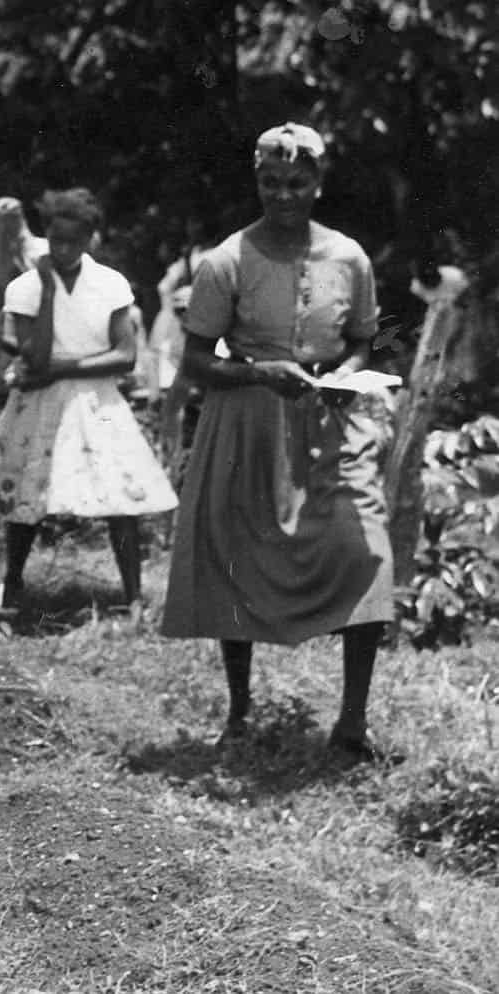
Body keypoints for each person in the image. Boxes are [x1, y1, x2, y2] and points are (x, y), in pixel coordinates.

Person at [161, 123, 394, 761]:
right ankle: (239, 711)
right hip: (250, 423)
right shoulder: (226, 261)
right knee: (241, 554)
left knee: (364, 546)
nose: (283, 195)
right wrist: (260, 373)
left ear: (320, 183)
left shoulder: (348, 257)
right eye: (270, 182)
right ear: (256, 179)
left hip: (334, 423)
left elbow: (360, 338)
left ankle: (352, 721)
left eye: (297, 183)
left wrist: (345, 375)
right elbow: (196, 362)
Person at [0, 188, 176, 613]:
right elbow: (37, 355)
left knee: (120, 498)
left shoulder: (109, 284)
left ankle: (134, 595)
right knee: (26, 496)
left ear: (90, 239)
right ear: (46, 234)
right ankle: (12, 582)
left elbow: (125, 354)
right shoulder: (26, 286)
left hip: (97, 403)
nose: (64, 249)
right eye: (57, 239)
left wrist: (65, 369)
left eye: (74, 240)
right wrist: (47, 289)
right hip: (41, 405)